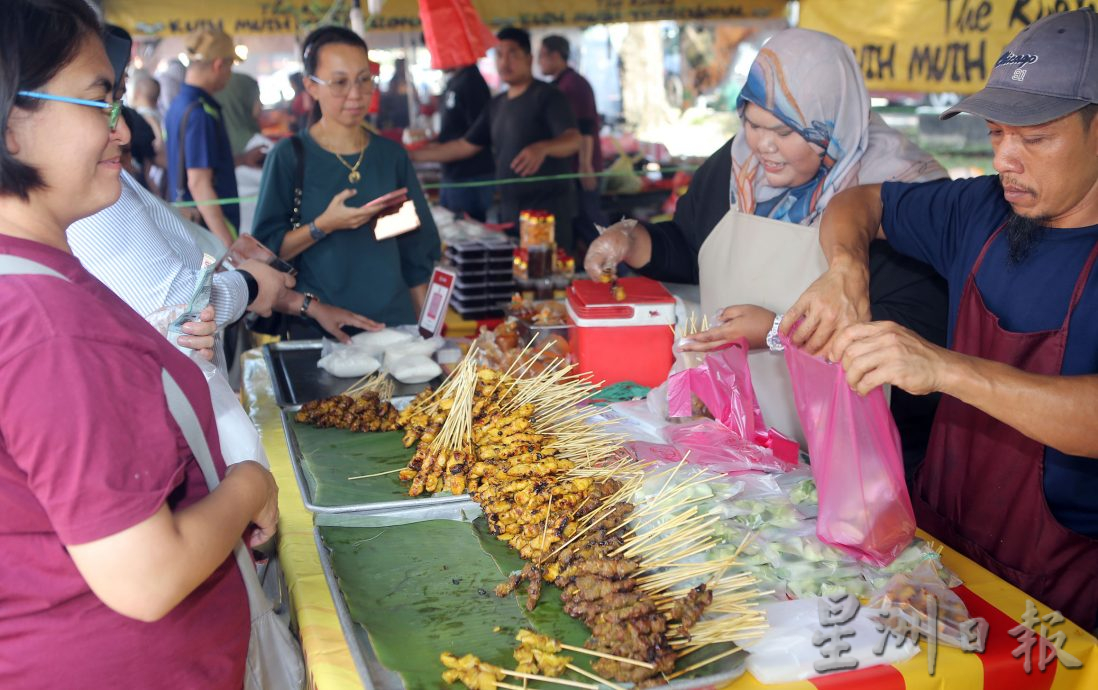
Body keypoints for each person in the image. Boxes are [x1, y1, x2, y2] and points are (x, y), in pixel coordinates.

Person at [782, 9, 1098, 628]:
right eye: (997, 133)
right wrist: (848, 269)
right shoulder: (979, 207)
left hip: (1065, 595)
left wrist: (944, 368)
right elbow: (859, 202)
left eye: (1035, 139)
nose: (1007, 158)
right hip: (939, 557)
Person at [0, 2, 278, 687]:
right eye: (100, 100)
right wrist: (250, 484)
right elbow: (146, 577)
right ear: (10, 120)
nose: (123, 129)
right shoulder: (49, 321)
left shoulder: (33, 285)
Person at [583, 28, 949, 465]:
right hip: (745, 442)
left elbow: (916, 336)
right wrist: (632, 240)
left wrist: (780, 332)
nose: (763, 145)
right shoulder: (739, 167)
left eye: (785, 132)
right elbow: (695, 247)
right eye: (752, 123)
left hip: (852, 461)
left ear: (831, 124)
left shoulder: (904, 192)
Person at [252, 26, 440, 339]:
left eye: (364, 80)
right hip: (320, 327)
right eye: (340, 82)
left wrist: (425, 334)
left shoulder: (389, 156)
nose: (355, 94)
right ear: (311, 86)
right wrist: (323, 225)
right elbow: (267, 252)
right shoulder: (290, 157)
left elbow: (413, 250)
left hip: (391, 327)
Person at [411, 27, 581, 248]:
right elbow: (465, 146)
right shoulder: (496, 105)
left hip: (548, 213)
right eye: (499, 55)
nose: (504, 61)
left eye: (512, 53)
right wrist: (412, 155)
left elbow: (573, 139)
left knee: (550, 276)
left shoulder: (548, 96)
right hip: (510, 211)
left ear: (529, 59)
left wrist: (543, 148)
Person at [165, 28, 262, 248]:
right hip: (206, 231)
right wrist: (227, 246)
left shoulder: (180, 105)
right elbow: (199, 182)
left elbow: (197, 163)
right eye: (230, 66)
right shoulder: (200, 113)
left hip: (192, 225)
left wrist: (242, 159)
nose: (230, 73)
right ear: (219, 65)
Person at [538, 35, 607, 248]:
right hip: (570, 169)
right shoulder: (559, 85)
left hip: (581, 169)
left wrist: (585, 166)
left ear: (556, 56)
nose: (538, 62)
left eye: (541, 56)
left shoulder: (573, 85)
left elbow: (585, 128)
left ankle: (620, 272)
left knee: (593, 225)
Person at [436, 63, 495, 222]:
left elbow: (477, 137)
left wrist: (418, 154)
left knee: (469, 234)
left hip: (470, 176)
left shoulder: (471, 81)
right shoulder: (454, 81)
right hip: (453, 173)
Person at [218, 71, 263, 157]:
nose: (261, 105)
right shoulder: (261, 149)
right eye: (257, 98)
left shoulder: (212, 145)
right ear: (245, 100)